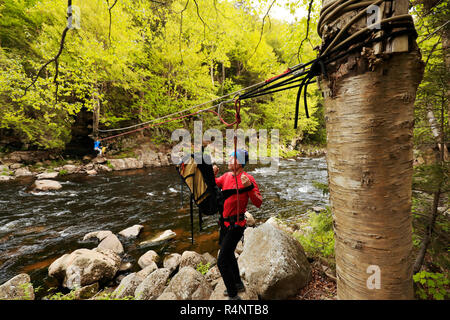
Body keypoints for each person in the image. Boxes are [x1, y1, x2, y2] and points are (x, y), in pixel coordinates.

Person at [213, 149, 262, 300]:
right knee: (228, 255)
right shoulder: (226, 176)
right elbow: (213, 184)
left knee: (222, 261)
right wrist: (212, 174)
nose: (228, 161)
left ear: (240, 163)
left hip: (237, 225)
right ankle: (238, 283)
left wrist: (249, 188)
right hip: (225, 224)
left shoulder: (247, 178)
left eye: (232, 159)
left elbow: (258, 202)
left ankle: (234, 296)